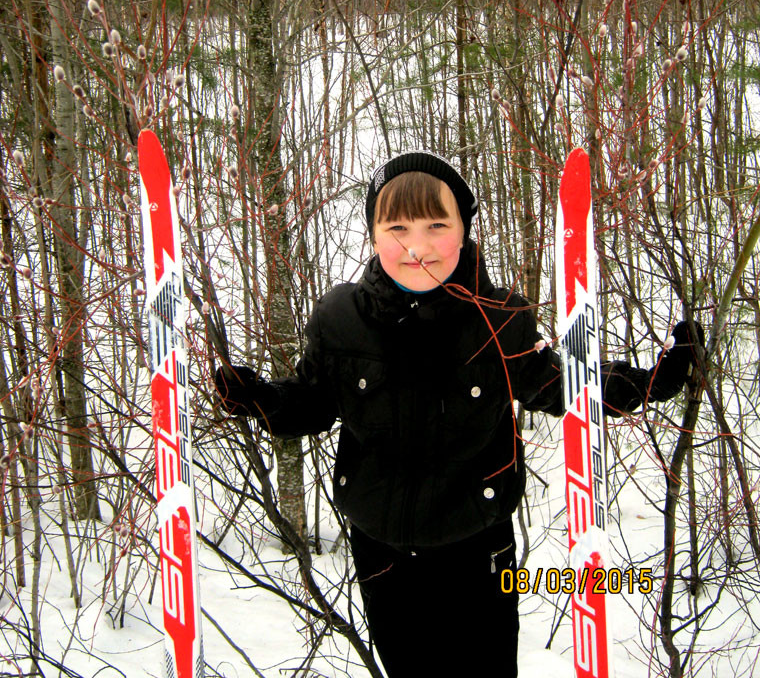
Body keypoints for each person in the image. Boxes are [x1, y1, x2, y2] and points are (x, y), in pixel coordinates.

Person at [214, 150, 699, 677]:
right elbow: (311, 402)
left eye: (436, 225)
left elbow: (566, 386)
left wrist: (654, 381)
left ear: (464, 231)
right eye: (396, 226)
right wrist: (262, 398)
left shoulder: (499, 320)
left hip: (478, 547)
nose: (416, 246)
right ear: (374, 235)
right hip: (382, 550)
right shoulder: (341, 320)